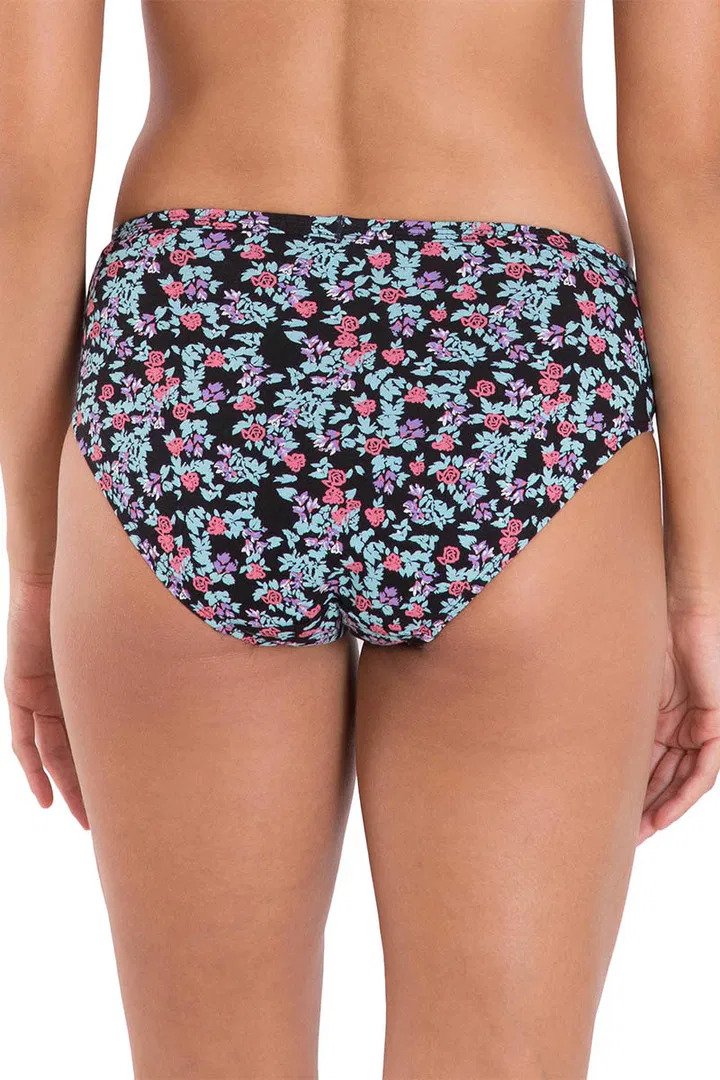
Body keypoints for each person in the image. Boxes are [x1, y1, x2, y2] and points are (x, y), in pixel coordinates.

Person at [1, 1, 718, 1077]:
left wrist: (39, 566)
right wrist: (701, 586)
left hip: (196, 357)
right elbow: (692, 164)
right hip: (515, 349)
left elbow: (23, 165)